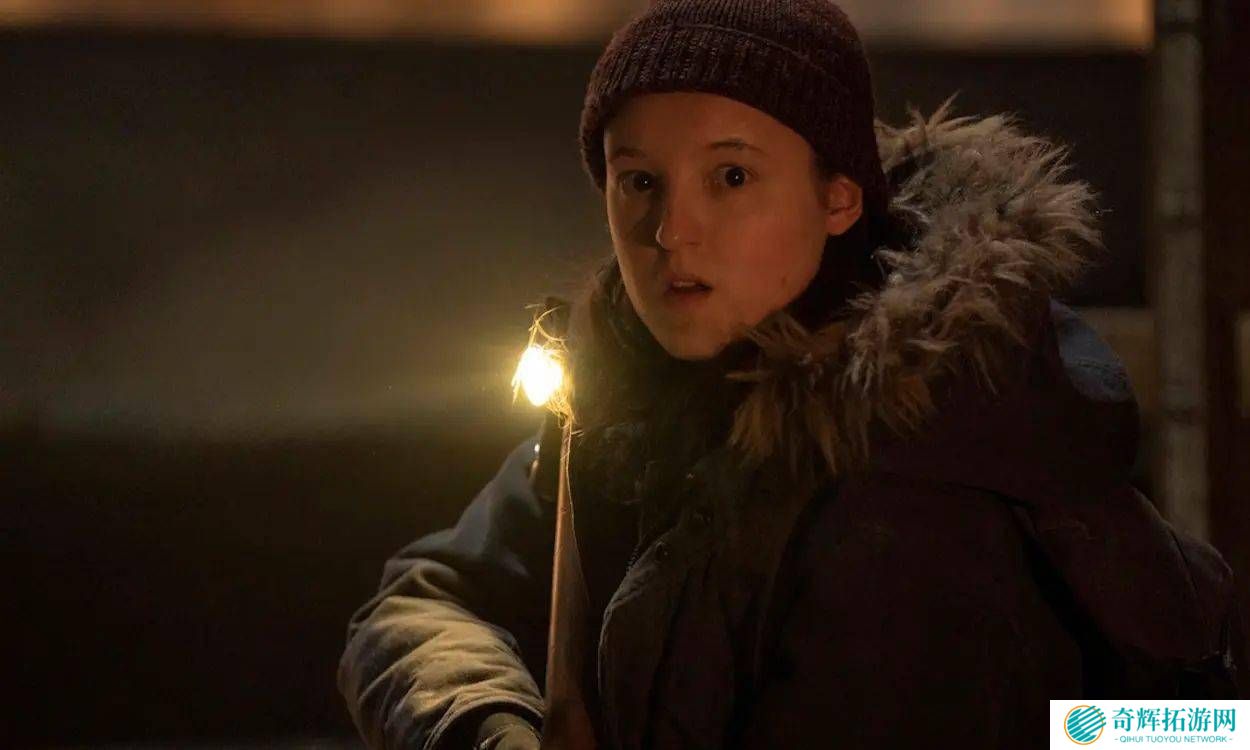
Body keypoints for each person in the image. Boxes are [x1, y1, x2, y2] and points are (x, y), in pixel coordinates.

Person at [337, 1, 1247, 748]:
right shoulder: (625, 395)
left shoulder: (919, 488)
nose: (670, 233)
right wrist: (491, 728)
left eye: (731, 178)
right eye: (639, 181)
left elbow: (1138, 730)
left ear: (838, 196)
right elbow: (422, 600)